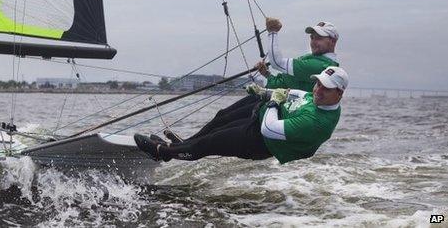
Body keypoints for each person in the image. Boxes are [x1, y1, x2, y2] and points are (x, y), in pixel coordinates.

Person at [161, 18, 341, 144]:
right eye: (312, 37)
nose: (313, 41)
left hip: (276, 107)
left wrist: (272, 32)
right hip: (269, 97)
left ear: (332, 41)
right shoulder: (310, 58)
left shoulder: (321, 65)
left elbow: (278, 61)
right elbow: (280, 82)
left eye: (319, 37)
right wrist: (267, 75)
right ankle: (186, 142)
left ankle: (183, 146)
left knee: (223, 127)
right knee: (222, 115)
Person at [135, 66, 348, 164]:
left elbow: (270, 129)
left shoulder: (316, 123)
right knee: (219, 119)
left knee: (209, 143)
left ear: (339, 93)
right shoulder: (318, 97)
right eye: (317, 83)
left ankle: (162, 152)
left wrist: (272, 102)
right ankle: (180, 145)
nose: (318, 90)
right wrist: (266, 93)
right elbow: (296, 94)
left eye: (325, 88)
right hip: (259, 117)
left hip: (260, 141)